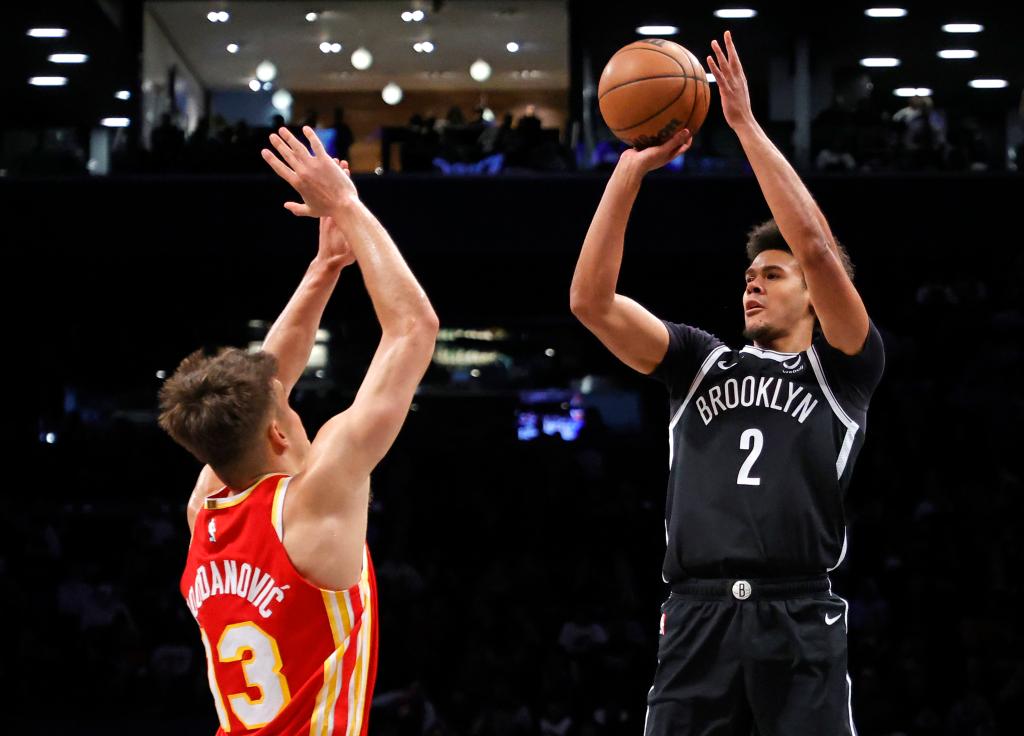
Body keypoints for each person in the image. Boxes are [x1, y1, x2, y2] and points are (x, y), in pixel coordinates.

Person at [570, 31, 884, 735]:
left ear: (815, 295)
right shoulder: (700, 360)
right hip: (696, 612)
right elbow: (590, 302)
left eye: (772, 275)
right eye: (749, 275)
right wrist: (629, 173)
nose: (753, 283)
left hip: (799, 614)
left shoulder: (843, 370)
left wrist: (742, 123)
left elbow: (815, 246)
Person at [158, 125, 439, 735]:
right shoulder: (317, 494)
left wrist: (325, 266)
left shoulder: (204, 511)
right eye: (289, 408)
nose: (290, 402)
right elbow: (414, 328)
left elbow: (263, 378)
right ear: (279, 436)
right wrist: (347, 205)